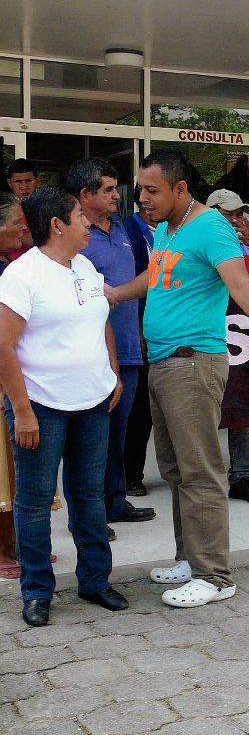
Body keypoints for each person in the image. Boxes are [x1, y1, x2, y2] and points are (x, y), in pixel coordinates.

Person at [106, 148, 249, 608]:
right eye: (140, 189)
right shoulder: (169, 230)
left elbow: (241, 284)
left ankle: (215, 576)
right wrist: (109, 294)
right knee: (175, 471)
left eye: (152, 190)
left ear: (180, 189)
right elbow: (152, 280)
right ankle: (189, 559)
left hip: (193, 364)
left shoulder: (210, 226)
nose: (142, 199)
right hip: (166, 365)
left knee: (201, 472)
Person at [0, 185, 128, 626]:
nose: (89, 222)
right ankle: (37, 591)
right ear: (57, 225)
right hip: (42, 406)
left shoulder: (86, 267)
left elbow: (102, 319)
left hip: (92, 403)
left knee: (89, 495)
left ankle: (96, 581)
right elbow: (3, 346)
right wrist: (21, 410)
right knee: (35, 503)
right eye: (80, 215)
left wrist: (111, 370)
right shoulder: (22, 275)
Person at [69, 158, 156, 529]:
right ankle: (88, 516)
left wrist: (138, 332)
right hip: (92, 352)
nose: (115, 196)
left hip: (129, 348)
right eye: (107, 189)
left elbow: (139, 280)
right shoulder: (73, 235)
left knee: (118, 435)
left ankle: (115, 503)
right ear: (85, 195)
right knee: (90, 442)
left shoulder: (125, 229)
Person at [206, 188, 249, 503]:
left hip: (245, 341)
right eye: (228, 214)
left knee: (245, 406)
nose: (236, 220)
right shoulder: (200, 240)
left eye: (239, 214)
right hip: (208, 339)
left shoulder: (247, 249)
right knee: (205, 411)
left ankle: (242, 477)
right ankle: (201, 478)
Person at [0, 192, 29, 580]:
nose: (23, 227)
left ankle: (15, 541)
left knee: (10, 466)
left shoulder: (11, 266)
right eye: (15, 222)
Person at [122, 190, 155, 498]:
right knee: (138, 410)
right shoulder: (127, 232)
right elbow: (130, 283)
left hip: (169, 332)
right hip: (139, 332)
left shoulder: (173, 233)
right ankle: (131, 475)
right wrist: (139, 329)